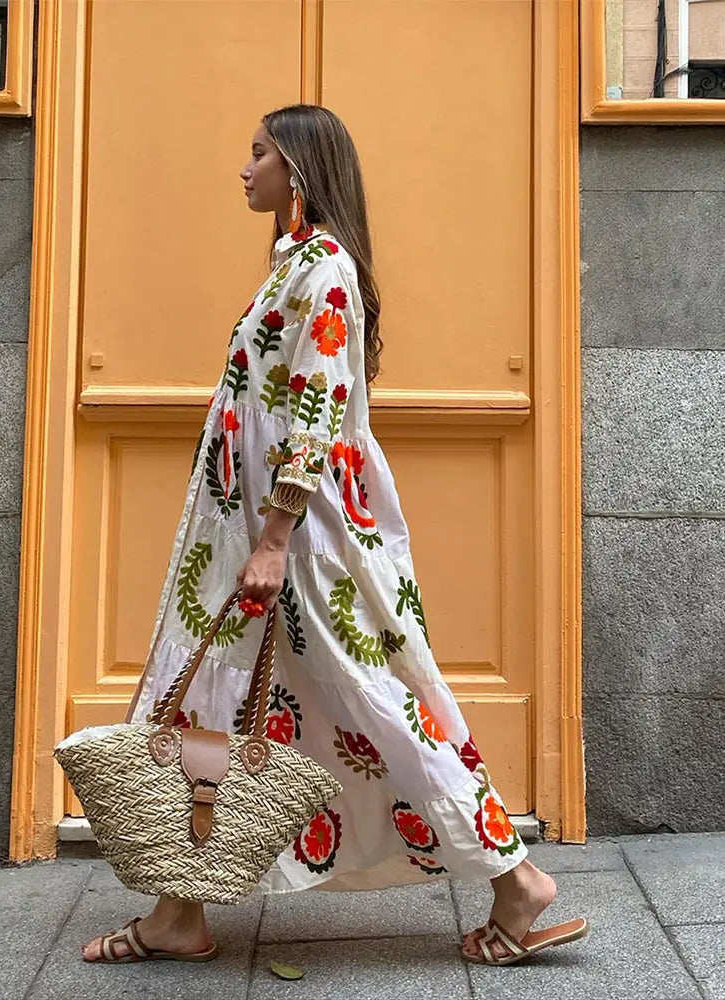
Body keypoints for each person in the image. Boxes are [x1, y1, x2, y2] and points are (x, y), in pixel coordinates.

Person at [81, 104, 587, 967]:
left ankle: (517, 879)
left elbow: (314, 415)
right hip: (254, 531)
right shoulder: (295, 263)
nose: (245, 169)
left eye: (259, 154)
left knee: (373, 698)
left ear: (299, 171)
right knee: (218, 701)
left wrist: (275, 539)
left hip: (304, 538)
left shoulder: (327, 272)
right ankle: (177, 909)